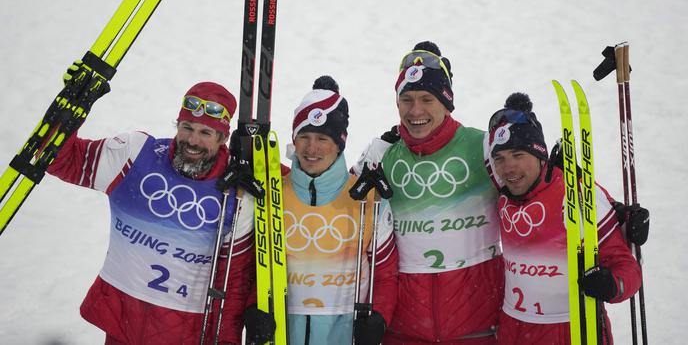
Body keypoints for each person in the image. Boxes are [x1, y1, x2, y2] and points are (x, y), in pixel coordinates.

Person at [46, 81, 256, 345]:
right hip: (122, 321)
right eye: (187, 128)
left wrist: (226, 340)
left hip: (185, 331)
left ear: (223, 138)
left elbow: (234, 281)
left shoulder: (236, 193)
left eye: (206, 133)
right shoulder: (135, 156)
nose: (192, 141)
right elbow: (58, 159)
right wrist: (68, 112)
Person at [351, 41, 504, 344]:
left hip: (477, 327)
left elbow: (538, 187)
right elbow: (335, 205)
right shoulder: (381, 154)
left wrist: (615, 211)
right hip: (403, 330)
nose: (415, 110)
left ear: (446, 102)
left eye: (426, 99)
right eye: (406, 99)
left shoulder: (482, 146)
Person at [485, 92, 643, 344]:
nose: (508, 168)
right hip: (513, 328)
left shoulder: (575, 194)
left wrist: (612, 285)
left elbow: (629, 269)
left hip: (570, 329)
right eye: (500, 159)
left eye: (518, 155)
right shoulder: (504, 191)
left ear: (540, 156)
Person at [279, 75, 398, 345]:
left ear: (339, 144)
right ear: (294, 141)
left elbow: (386, 274)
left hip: (345, 335)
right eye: (304, 137)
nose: (311, 148)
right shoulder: (276, 193)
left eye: (322, 138)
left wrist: (378, 316)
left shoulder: (367, 196)